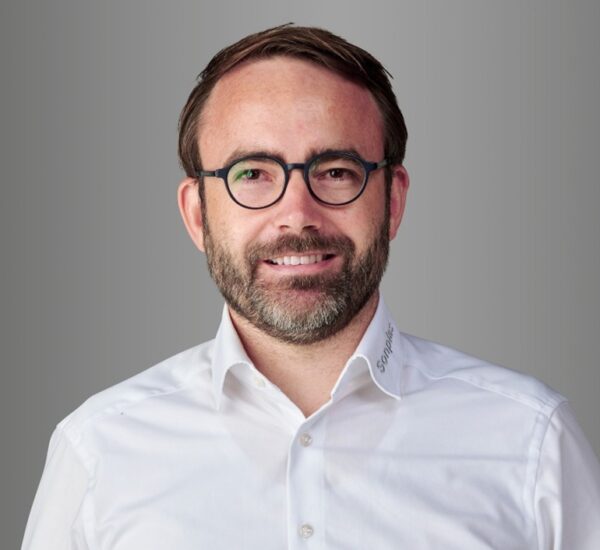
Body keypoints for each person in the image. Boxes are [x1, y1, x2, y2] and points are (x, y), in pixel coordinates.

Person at [22, 24, 600, 550]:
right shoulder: (99, 451)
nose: (297, 215)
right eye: (252, 173)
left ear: (393, 201)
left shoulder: (531, 443)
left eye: (336, 172)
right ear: (198, 215)